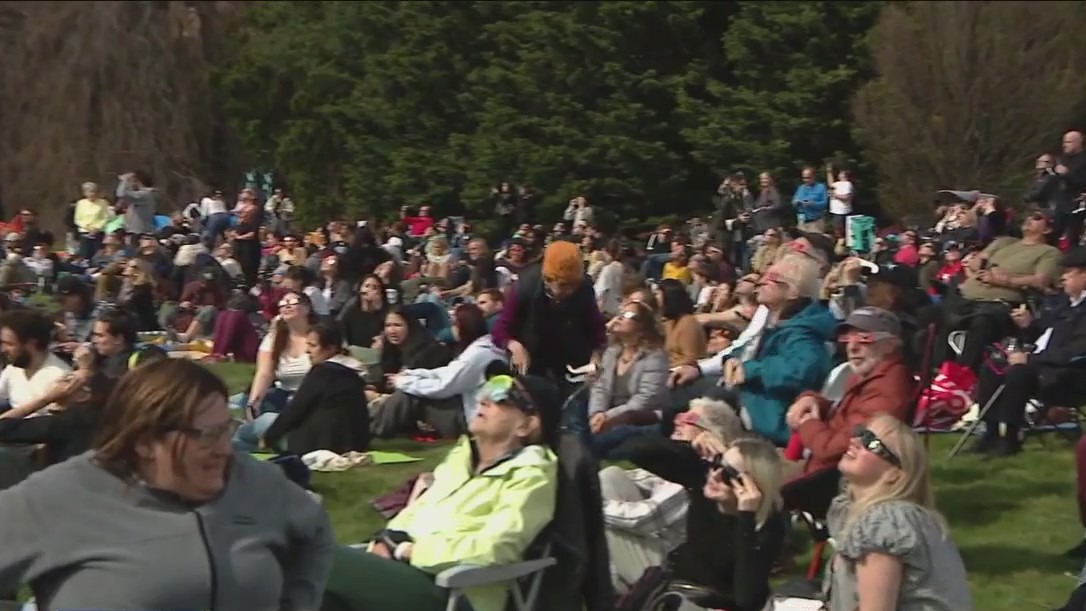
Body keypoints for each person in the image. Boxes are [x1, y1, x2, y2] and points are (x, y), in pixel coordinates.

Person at [0, 359, 334, 610]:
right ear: (144, 440)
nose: (224, 448)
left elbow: (316, 530)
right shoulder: (64, 495)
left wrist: (298, 601)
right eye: (206, 435)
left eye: (226, 429)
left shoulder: (252, 480)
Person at [321, 373, 561, 611]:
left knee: (311, 554)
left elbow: (498, 547)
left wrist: (410, 551)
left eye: (503, 396)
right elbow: (418, 510)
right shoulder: (462, 459)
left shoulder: (531, 476)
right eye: (488, 388)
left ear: (527, 424)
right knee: (314, 596)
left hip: (455, 592)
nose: (486, 398)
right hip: (404, 575)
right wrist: (387, 538)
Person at [623, 432, 785, 611]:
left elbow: (745, 599)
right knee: (610, 485)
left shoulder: (769, 525)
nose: (715, 475)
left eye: (728, 475)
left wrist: (745, 517)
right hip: (674, 578)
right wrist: (689, 446)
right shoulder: (704, 480)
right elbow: (634, 450)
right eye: (717, 462)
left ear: (753, 486)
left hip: (711, 603)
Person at [828, 415, 972, 611]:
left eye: (872, 442)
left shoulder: (885, 520)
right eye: (861, 433)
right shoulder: (902, 516)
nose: (855, 441)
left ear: (895, 473)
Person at [976, 247, 1086, 457]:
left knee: (1019, 372)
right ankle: (989, 432)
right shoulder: (1063, 304)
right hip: (1039, 365)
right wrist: (1029, 325)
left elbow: (1076, 351)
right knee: (991, 365)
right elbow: (1045, 335)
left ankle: (1010, 437)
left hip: (1069, 375)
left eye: (1069, 273)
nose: (1063, 277)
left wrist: (1029, 359)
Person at [492, 240, 607, 387]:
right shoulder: (526, 286)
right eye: (565, 285)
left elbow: (596, 328)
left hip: (572, 367)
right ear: (548, 279)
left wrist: (596, 354)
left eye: (574, 284)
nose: (571, 290)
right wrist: (513, 344)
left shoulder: (584, 289)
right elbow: (500, 328)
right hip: (533, 365)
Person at [246, 323, 370, 456]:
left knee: (256, 426)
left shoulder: (323, 372)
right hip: (354, 443)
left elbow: (296, 410)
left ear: (330, 349)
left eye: (313, 346)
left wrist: (268, 438)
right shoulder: (353, 373)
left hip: (320, 445)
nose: (307, 351)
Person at [389, 303, 507, 438]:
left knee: (410, 395)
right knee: (411, 389)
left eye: (454, 324)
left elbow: (443, 387)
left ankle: (373, 427)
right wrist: (412, 374)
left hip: (472, 420)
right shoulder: (480, 348)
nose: (451, 329)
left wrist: (402, 382)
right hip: (469, 410)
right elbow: (448, 372)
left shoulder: (478, 355)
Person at [244, 291, 318, 416]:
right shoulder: (273, 338)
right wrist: (253, 404)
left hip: (315, 396)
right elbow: (264, 373)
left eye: (292, 303)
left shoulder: (323, 336)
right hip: (283, 395)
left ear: (307, 309)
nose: (286, 306)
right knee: (246, 403)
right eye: (283, 303)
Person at [0, 310, 73, 418]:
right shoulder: (13, 368)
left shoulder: (59, 376)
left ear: (31, 344)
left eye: (10, 344)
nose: (3, 349)